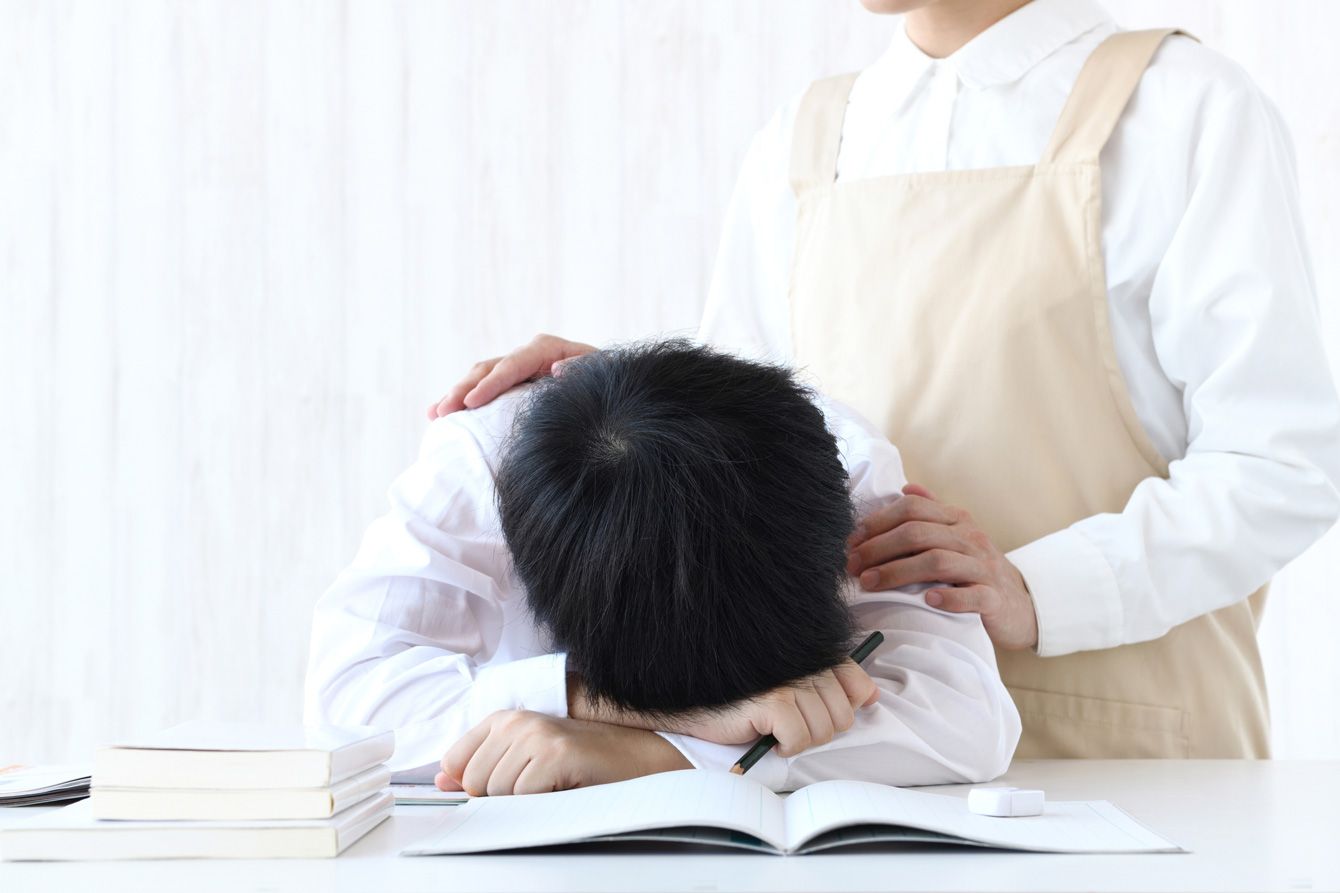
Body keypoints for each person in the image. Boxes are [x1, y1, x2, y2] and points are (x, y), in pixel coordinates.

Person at [428, 0, 1340, 758]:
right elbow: (742, 461)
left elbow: (1283, 463)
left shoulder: (1183, 108)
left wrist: (1040, 591)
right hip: (859, 748)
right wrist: (610, 395)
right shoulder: (810, 136)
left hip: (1136, 756)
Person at [305, 340, 1021, 795]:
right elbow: (343, 707)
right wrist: (612, 703)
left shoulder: (848, 470)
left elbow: (970, 719)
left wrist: (644, 753)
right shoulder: (477, 462)